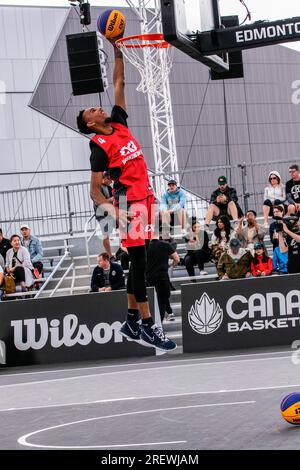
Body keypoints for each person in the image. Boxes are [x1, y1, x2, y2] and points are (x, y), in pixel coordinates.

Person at [76, 34, 176, 352]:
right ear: (90, 124)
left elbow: (119, 83)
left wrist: (117, 50)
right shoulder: (98, 146)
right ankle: (148, 325)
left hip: (144, 196)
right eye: (90, 109)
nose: (96, 106)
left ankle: (132, 320)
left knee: (138, 261)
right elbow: (94, 192)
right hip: (128, 201)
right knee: (139, 261)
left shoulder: (117, 122)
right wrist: (116, 211)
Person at [146, 235, 179, 323]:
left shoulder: (146, 247)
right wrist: (171, 265)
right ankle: (160, 322)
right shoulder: (165, 244)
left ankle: (168, 313)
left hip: (149, 277)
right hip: (162, 275)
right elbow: (177, 259)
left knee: (156, 299)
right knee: (162, 299)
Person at [93, 171, 115, 259]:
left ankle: (111, 254)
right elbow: (99, 202)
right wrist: (112, 199)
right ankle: (109, 255)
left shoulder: (107, 187)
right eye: (109, 180)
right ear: (104, 178)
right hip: (102, 214)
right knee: (106, 235)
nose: (111, 182)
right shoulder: (98, 187)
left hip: (109, 213)